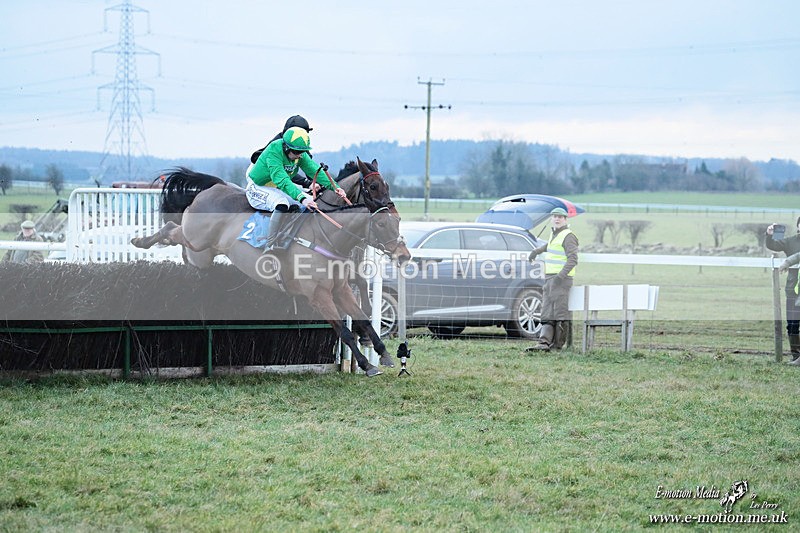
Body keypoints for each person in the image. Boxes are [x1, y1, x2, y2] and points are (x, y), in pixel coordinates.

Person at [245, 125, 346, 250]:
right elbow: (281, 179)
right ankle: (269, 245)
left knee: (312, 203)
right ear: (286, 147)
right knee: (282, 204)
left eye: (302, 151)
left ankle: (291, 238)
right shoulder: (274, 150)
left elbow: (314, 170)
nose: (300, 155)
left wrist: (335, 187)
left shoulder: (300, 154)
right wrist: (301, 197)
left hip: (276, 188)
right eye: (297, 152)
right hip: (258, 187)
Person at [525, 207, 579, 352]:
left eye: (560, 217)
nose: (557, 219)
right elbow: (551, 246)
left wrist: (559, 277)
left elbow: (573, 259)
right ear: (551, 218)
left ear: (566, 219)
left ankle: (557, 346)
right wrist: (538, 251)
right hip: (550, 278)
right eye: (555, 216)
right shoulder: (555, 234)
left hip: (561, 279)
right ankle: (543, 344)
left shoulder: (568, 236)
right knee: (547, 311)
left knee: (560, 313)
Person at [768, 218, 800, 364]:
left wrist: (788, 262)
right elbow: (774, 245)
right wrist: (771, 235)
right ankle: (796, 356)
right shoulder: (791, 241)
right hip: (793, 290)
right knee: (792, 324)